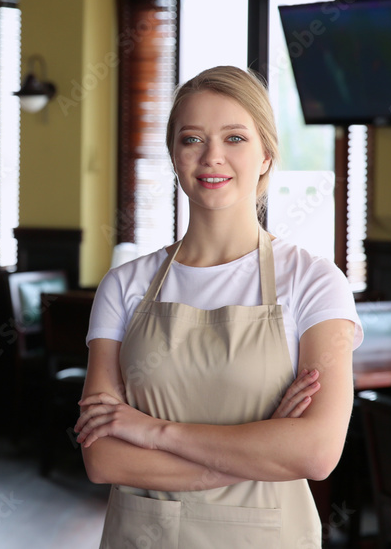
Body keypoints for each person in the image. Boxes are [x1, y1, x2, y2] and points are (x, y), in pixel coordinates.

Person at [75, 66, 363, 548]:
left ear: (266, 154)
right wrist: (261, 449)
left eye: (234, 138)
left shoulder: (314, 282)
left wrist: (152, 431)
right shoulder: (124, 286)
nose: (212, 157)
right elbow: (104, 458)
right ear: (174, 154)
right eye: (192, 139)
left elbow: (316, 452)